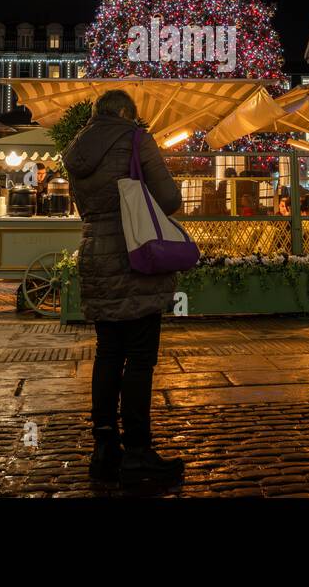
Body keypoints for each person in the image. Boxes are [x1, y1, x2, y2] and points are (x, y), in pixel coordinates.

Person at [65, 90, 185, 486]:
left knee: (107, 353)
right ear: (125, 113)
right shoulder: (135, 137)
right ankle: (137, 452)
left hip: (94, 253)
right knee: (139, 358)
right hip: (135, 255)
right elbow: (169, 198)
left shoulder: (76, 148)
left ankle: (104, 449)